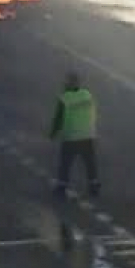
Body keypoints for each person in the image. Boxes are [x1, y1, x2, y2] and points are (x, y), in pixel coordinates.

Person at [49, 70, 100, 198]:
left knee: (65, 162)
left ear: (69, 84)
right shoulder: (87, 95)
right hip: (88, 134)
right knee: (89, 162)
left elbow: (58, 119)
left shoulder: (65, 98)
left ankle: (62, 186)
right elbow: (93, 112)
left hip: (71, 136)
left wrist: (52, 134)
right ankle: (93, 185)